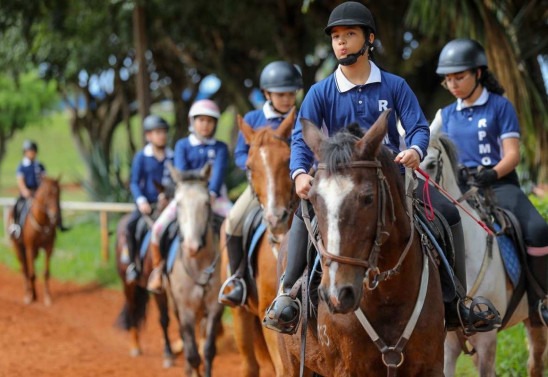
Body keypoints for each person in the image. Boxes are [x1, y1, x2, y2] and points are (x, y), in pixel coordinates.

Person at [262, 1, 501, 335]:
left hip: (392, 177)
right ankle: (290, 296)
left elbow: (418, 127)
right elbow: (303, 141)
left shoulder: (395, 85)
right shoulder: (320, 92)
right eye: (335, 37)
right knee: (305, 216)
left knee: (447, 212)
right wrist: (300, 172)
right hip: (339, 181)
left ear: (369, 38)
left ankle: (455, 301)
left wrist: (416, 150)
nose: (341, 42)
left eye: (349, 34)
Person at [434, 38, 548, 326]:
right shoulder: (444, 115)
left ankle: (542, 299)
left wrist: (491, 173)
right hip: (458, 190)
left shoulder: (500, 107)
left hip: (498, 184)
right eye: (448, 80)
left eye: (459, 77)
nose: (454, 84)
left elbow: (513, 155)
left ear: (478, 73)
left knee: (538, 229)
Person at [218, 61, 303, 307]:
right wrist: (255, 164)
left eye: (290, 94)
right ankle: (237, 279)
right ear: (267, 94)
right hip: (261, 186)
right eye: (280, 94)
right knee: (233, 220)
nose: (286, 99)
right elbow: (240, 154)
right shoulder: (254, 118)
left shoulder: (301, 119)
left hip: (294, 185)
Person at [147, 99, 230, 293]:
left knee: (236, 224)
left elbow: (218, 172)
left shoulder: (220, 148)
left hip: (214, 198)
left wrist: (212, 193)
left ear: (215, 124)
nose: (205, 125)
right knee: (157, 229)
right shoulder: (182, 145)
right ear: (192, 122)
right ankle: (158, 271)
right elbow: (182, 173)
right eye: (200, 120)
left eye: (210, 121)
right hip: (185, 198)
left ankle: (235, 273)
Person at [125, 114, 174, 283]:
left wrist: (168, 197)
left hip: (168, 205)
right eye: (157, 132)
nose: (161, 135)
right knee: (131, 227)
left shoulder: (172, 157)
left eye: (163, 132)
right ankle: (133, 264)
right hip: (146, 205)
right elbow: (134, 182)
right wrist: (141, 201)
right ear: (148, 136)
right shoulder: (141, 157)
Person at [9, 140, 68, 238]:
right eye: (29, 151)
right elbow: (20, 181)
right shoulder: (22, 166)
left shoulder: (39, 166)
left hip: (39, 193)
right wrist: (25, 191)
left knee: (53, 206)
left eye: (33, 151)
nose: (32, 153)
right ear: (25, 152)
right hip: (27, 193)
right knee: (18, 206)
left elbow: (44, 180)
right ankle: (17, 226)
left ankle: (58, 224)